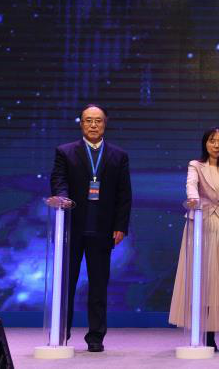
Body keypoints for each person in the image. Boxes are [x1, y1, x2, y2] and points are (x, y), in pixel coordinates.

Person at [49, 104, 132, 353]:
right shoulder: (65, 152)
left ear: (105, 124)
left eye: (98, 120)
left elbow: (124, 194)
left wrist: (120, 226)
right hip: (71, 229)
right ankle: (60, 332)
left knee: (98, 286)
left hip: (103, 230)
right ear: (81, 124)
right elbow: (59, 181)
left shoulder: (118, 155)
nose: (93, 125)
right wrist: (63, 199)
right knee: (66, 284)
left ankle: (96, 337)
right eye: (88, 120)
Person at [169, 127, 219, 350]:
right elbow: (191, 185)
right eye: (212, 141)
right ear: (205, 143)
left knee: (218, 280)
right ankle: (197, 330)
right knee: (198, 277)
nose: (216, 145)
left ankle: (210, 334)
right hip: (198, 226)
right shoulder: (196, 165)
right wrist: (194, 201)